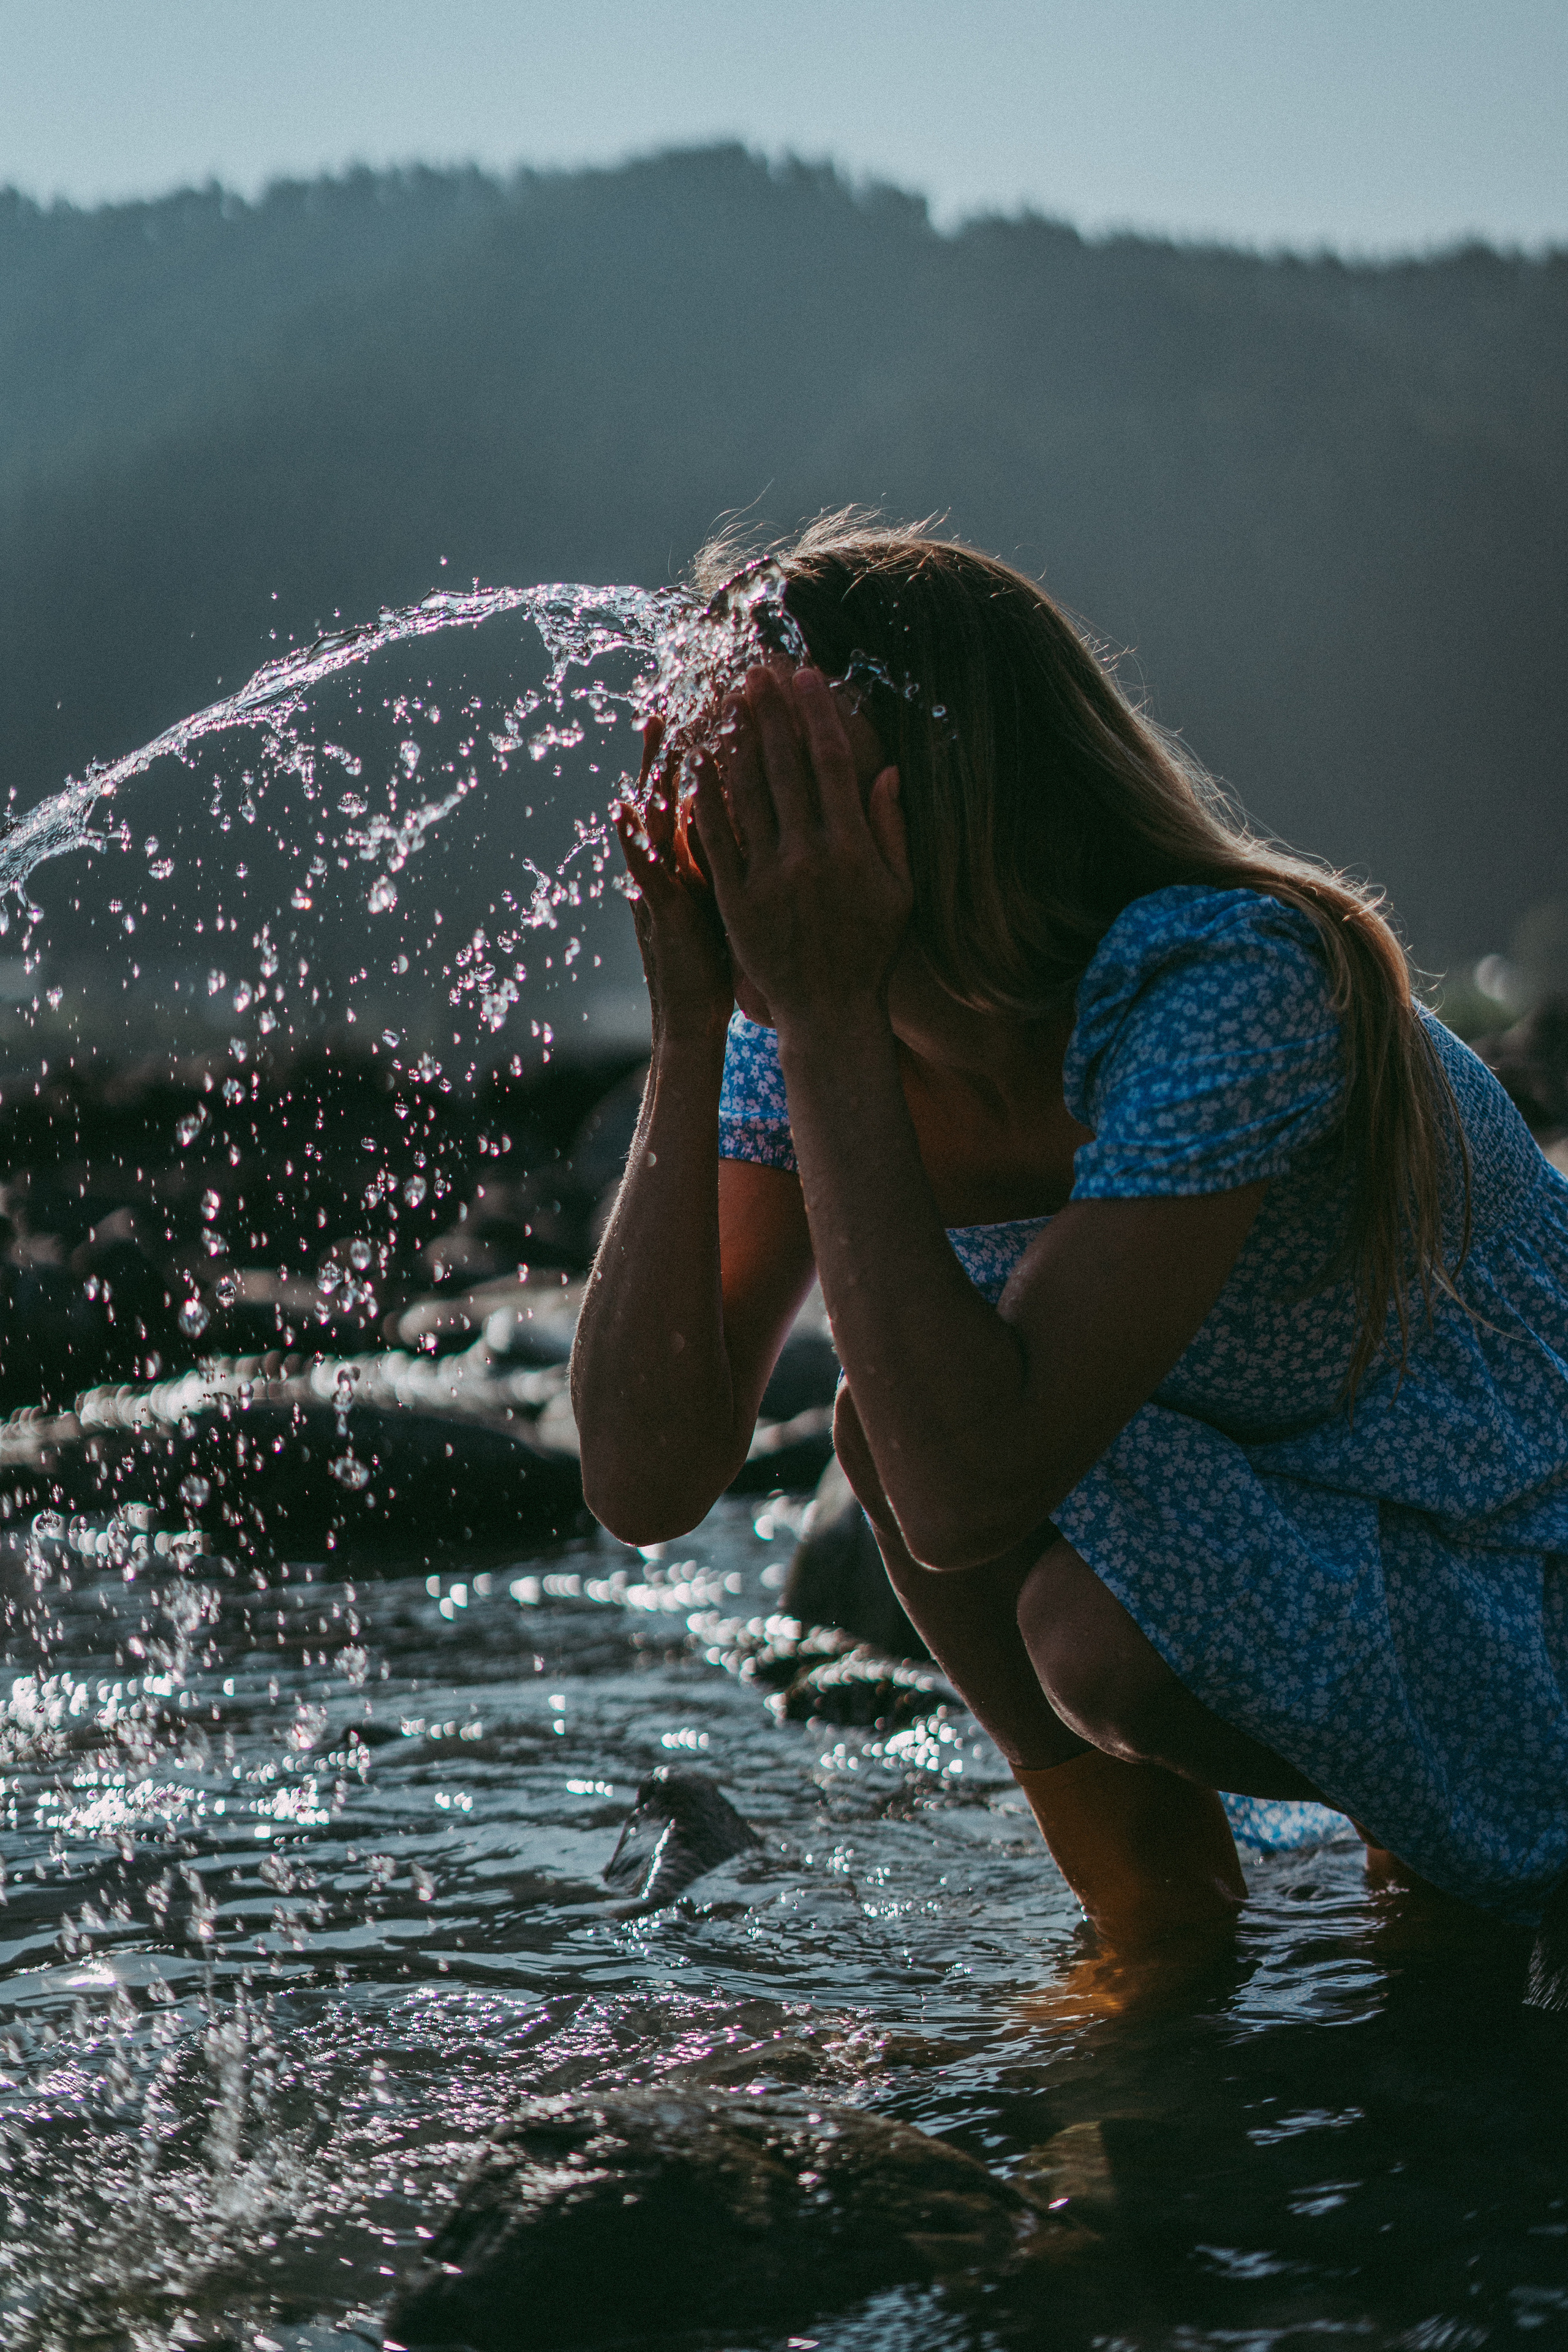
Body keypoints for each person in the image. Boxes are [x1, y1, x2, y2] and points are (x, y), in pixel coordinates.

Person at [570, 513, 1568, 1949]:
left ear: (929, 797)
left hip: (1517, 1549)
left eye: (782, 789)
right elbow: (644, 1481)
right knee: (876, 1428)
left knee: (1084, 1632)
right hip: (1315, 1534)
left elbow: (970, 1488)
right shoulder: (804, 1028)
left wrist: (830, 1015)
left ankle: (1451, 1861)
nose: (729, 831)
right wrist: (686, 1018)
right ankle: (1157, 1923)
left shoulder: (1227, 982)